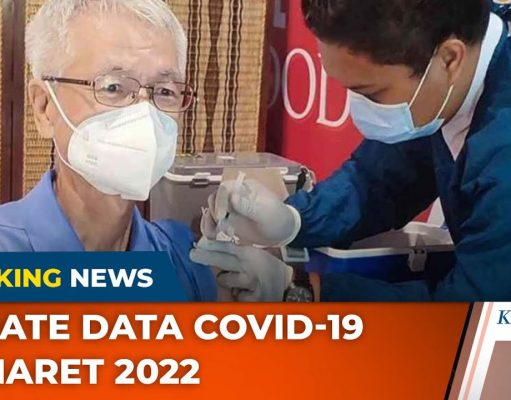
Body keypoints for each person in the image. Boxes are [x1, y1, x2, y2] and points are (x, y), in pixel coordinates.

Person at [191, 0, 511, 301]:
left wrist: (300, 290)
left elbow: (472, 312)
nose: (357, 108)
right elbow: (379, 181)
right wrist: (292, 220)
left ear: (450, 59)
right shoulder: (443, 76)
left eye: (371, 93)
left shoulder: (501, 154)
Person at [0, 0, 216, 301]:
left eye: (164, 91)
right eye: (113, 88)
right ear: (44, 107)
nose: (144, 113)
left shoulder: (184, 262)